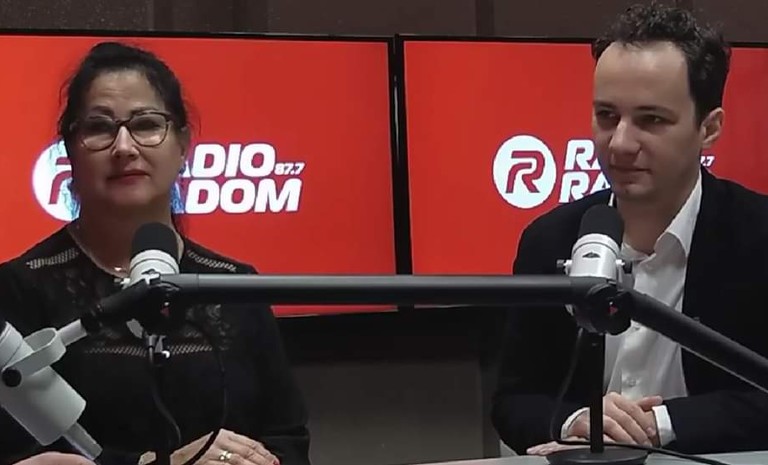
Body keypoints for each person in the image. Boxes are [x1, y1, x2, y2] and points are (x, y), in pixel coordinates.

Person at [0, 42, 310, 465]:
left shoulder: (236, 285)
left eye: (146, 124)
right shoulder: (18, 288)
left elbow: (288, 439)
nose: (124, 147)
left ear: (182, 144)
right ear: (70, 151)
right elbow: (17, 450)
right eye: (99, 128)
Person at [492, 2, 768, 456]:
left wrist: (657, 424)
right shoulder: (549, 239)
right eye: (606, 116)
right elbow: (513, 401)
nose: (619, 143)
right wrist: (578, 422)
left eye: (650, 120)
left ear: (709, 128)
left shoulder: (759, 235)